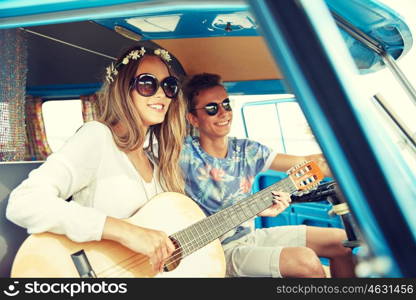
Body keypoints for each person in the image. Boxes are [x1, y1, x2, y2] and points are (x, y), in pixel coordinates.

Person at [6, 45, 187, 273]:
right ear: (124, 89)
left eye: (169, 86)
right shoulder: (98, 137)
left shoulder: (159, 163)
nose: (161, 94)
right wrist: (125, 231)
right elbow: (24, 202)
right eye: (147, 84)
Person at [180, 73, 356, 278]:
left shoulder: (247, 150)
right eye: (212, 108)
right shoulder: (184, 155)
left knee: (342, 242)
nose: (223, 113)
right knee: (306, 262)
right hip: (215, 251)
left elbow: (309, 164)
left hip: (249, 236)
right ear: (193, 118)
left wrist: (355, 160)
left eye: (226, 104)